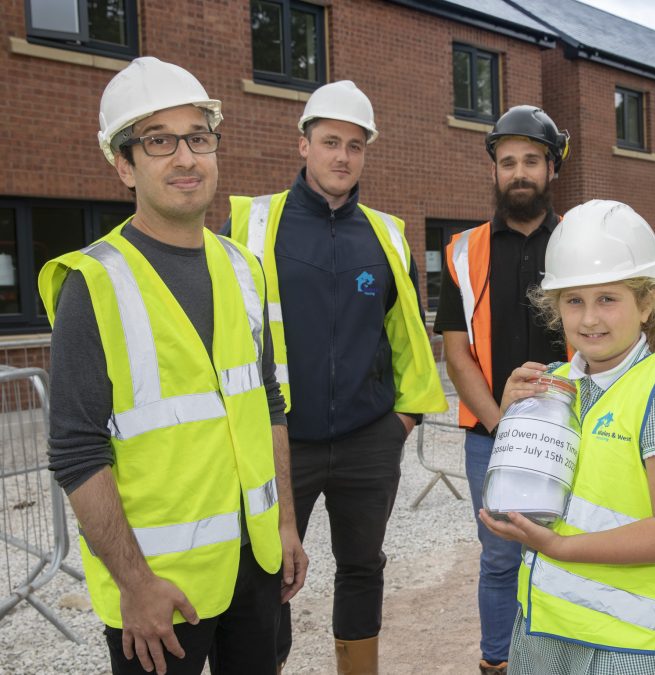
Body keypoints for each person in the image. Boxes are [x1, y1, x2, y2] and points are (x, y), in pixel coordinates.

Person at [40, 57, 307, 675]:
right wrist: (135, 587)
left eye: (198, 138)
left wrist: (286, 525)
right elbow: (77, 452)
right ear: (123, 164)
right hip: (162, 589)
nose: (185, 157)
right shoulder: (93, 282)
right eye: (158, 141)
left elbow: (266, 402)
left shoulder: (244, 268)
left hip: (256, 564)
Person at [225, 80, 446, 673]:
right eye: (330, 142)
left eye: (355, 145)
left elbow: (404, 334)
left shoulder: (386, 232)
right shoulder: (248, 221)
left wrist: (402, 419)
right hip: (280, 440)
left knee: (362, 567)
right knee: (267, 570)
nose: (342, 156)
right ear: (303, 144)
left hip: (366, 440)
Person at [481, 199, 655, 675]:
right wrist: (515, 417)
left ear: (645, 303)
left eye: (608, 299)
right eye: (574, 300)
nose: (589, 319)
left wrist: (559, 548)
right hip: (545, 631)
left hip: (628, 649)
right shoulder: (556, 383)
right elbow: (529, 488)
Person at [434, 105, 570, 675]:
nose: (519, 172)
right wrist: (497, 421)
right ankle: (498, 663)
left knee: (569, 552)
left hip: (572, 429)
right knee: (498, 557)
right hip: (489, 433)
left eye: (531, 161)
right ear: (493, 170)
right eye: (508, 161)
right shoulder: (463, 252)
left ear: (551, 168)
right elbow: (456, 350)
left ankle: (561, 657)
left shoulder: (580, 242)